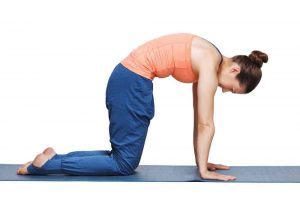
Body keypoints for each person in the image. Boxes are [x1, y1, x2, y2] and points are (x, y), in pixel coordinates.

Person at [17, 33, 268, 181]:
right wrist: (204, 171)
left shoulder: (209, 56)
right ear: (235, 69)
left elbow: (199, 117)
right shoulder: (210, 65)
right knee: (124, 164)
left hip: (127, 79)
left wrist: (202, 163)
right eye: (232, 88)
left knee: (120, 158)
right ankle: (48, 165)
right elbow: (205, 123)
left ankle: (54, 158)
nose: (224, 91)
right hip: (132, 83)